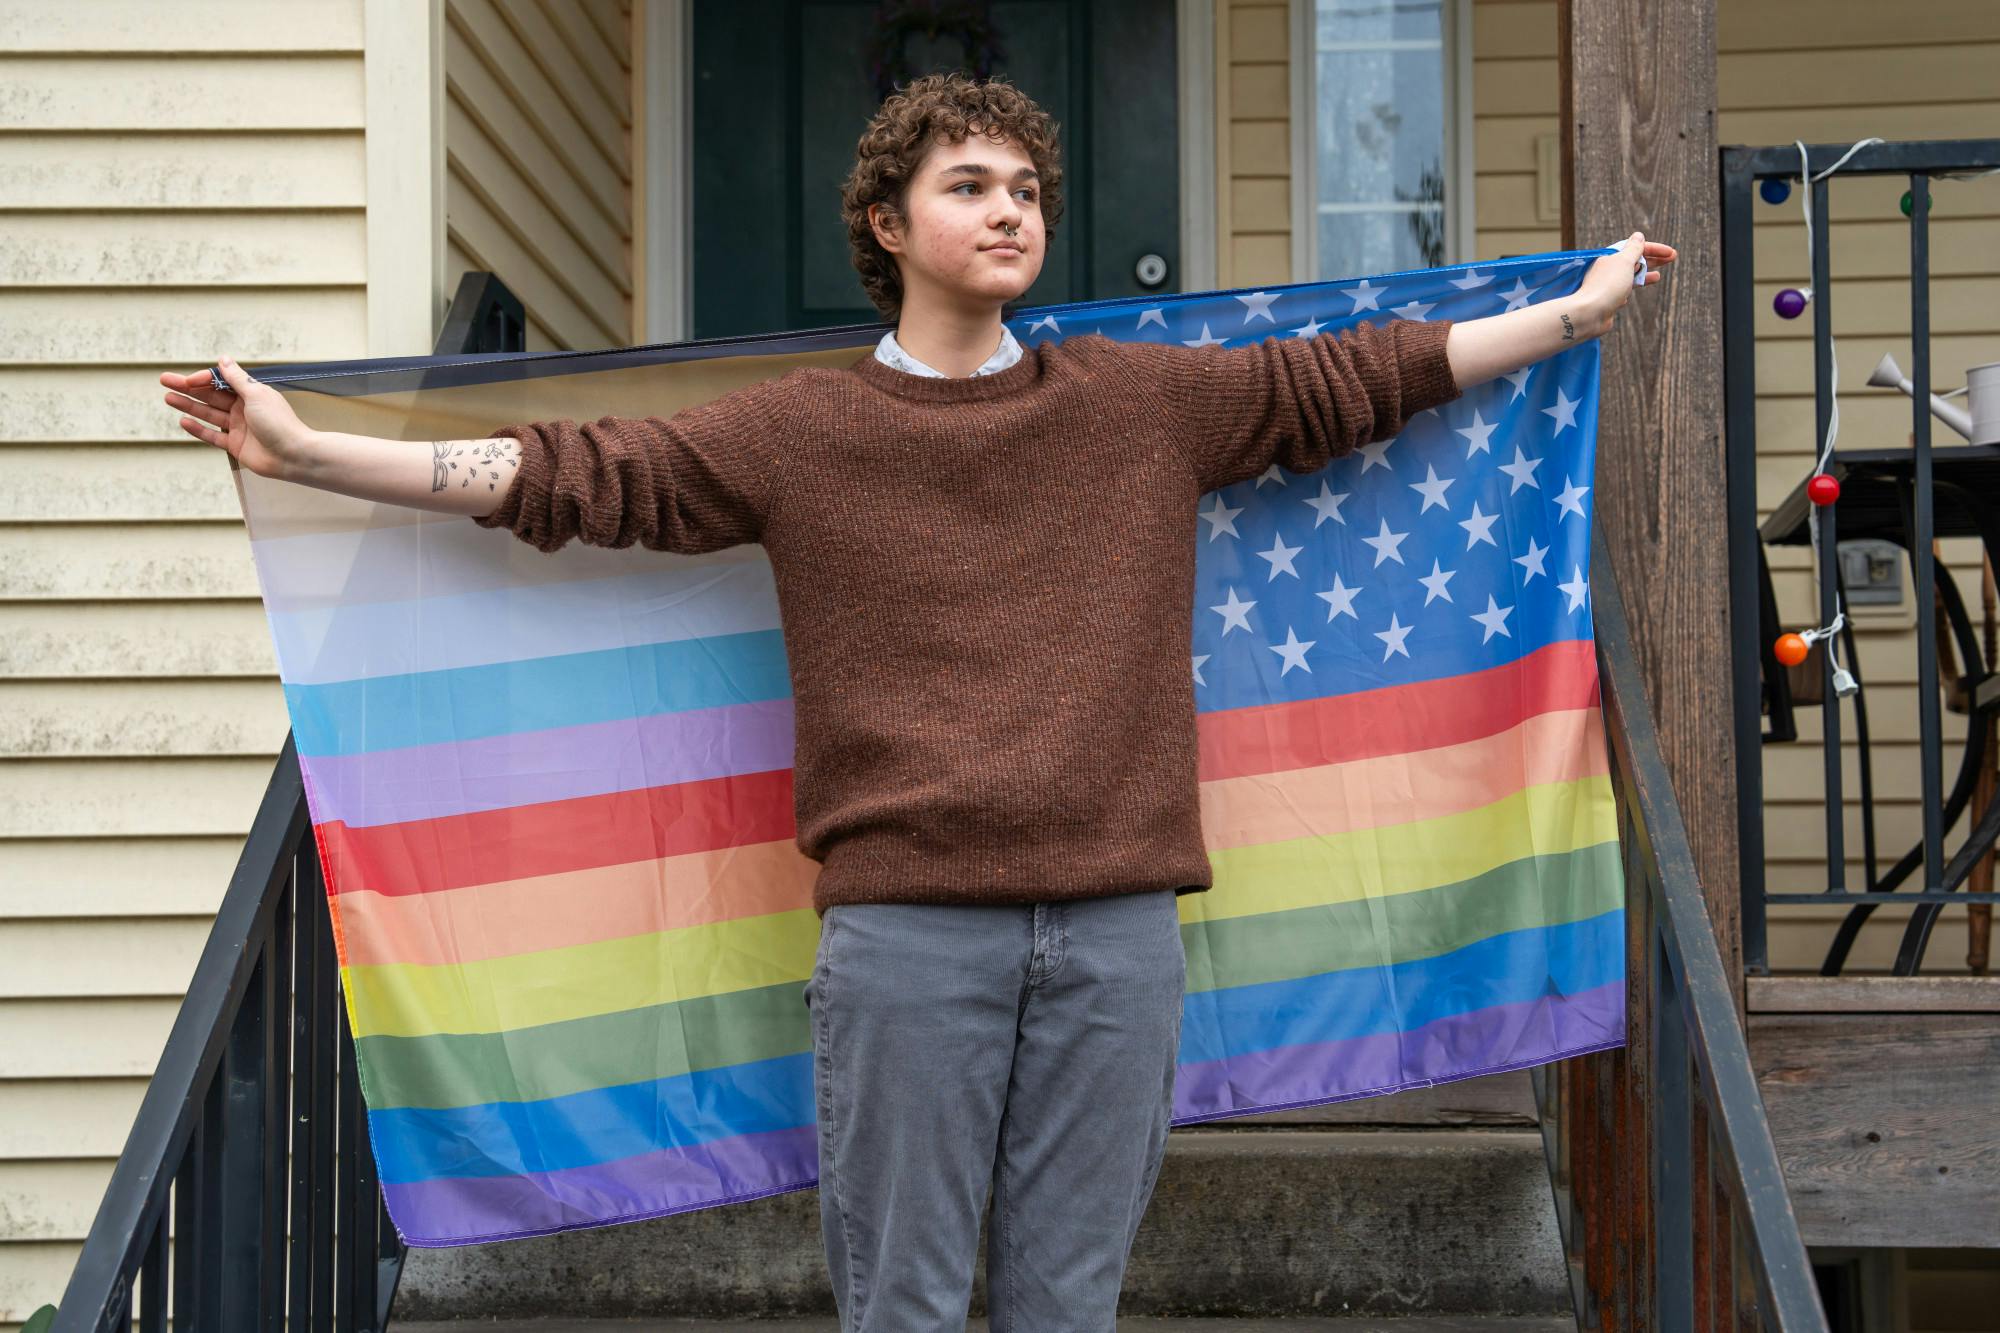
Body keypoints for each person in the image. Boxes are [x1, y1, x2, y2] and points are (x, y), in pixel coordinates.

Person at [161, 71, 1673, 1333]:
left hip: (1117, 938)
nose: (1008, 206)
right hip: (904, 945)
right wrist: (310, 457)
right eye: (968, 183)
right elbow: (570, 478)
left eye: (1023, 185)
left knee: (1066, 1307)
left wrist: (1574, 316)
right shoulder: (803, 434)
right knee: (902, 1308)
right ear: (888, 224)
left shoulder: (1139, 406)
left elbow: (1359, 380)